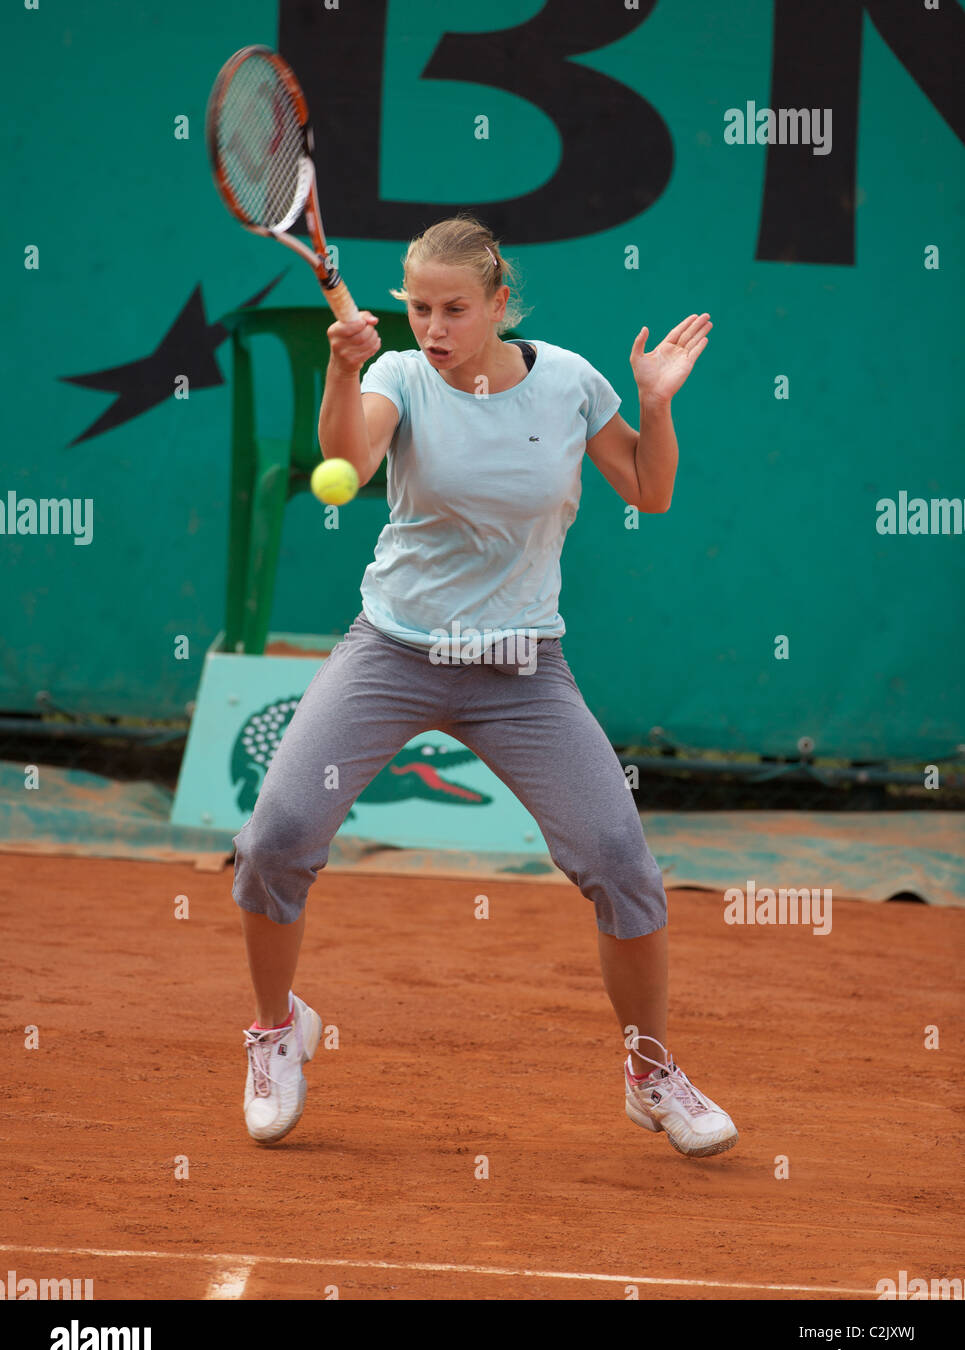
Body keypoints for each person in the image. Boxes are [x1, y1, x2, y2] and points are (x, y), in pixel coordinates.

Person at [232, 214, 738, 1159]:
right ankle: (275, 1030)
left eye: (454, 309)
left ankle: (650, 1068)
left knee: (620, 864)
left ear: (500, 304)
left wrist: (655, 403)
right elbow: (350, 457)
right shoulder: (395, 376)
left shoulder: (571, 381)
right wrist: (344, 369)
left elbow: (648, 489)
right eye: (419, 307)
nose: (432, 326)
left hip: (521, 668)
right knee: (276, 837)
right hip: (394, 650)